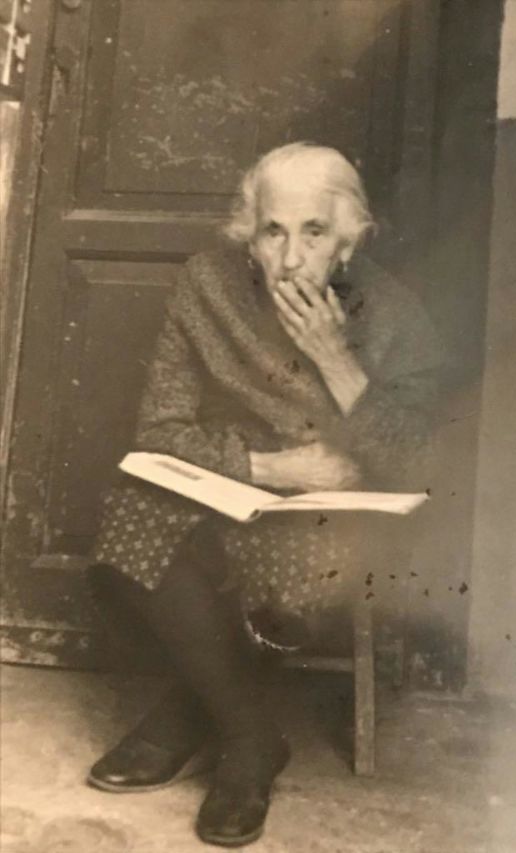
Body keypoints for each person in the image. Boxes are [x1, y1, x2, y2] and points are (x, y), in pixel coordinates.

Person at [86, 142, 442, 847]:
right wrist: (267, 467)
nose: (290, 258)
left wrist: (335, 359)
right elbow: (160, 427)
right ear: (249, 235)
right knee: (130, 520)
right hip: (239, 477)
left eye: (314, 233)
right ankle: (251, 737)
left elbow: (419, 460)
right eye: (273, 232)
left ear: (348, 242)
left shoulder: (397, 315)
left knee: (301, 575)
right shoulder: (208, 284)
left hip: (338, 510)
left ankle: (188, 717)